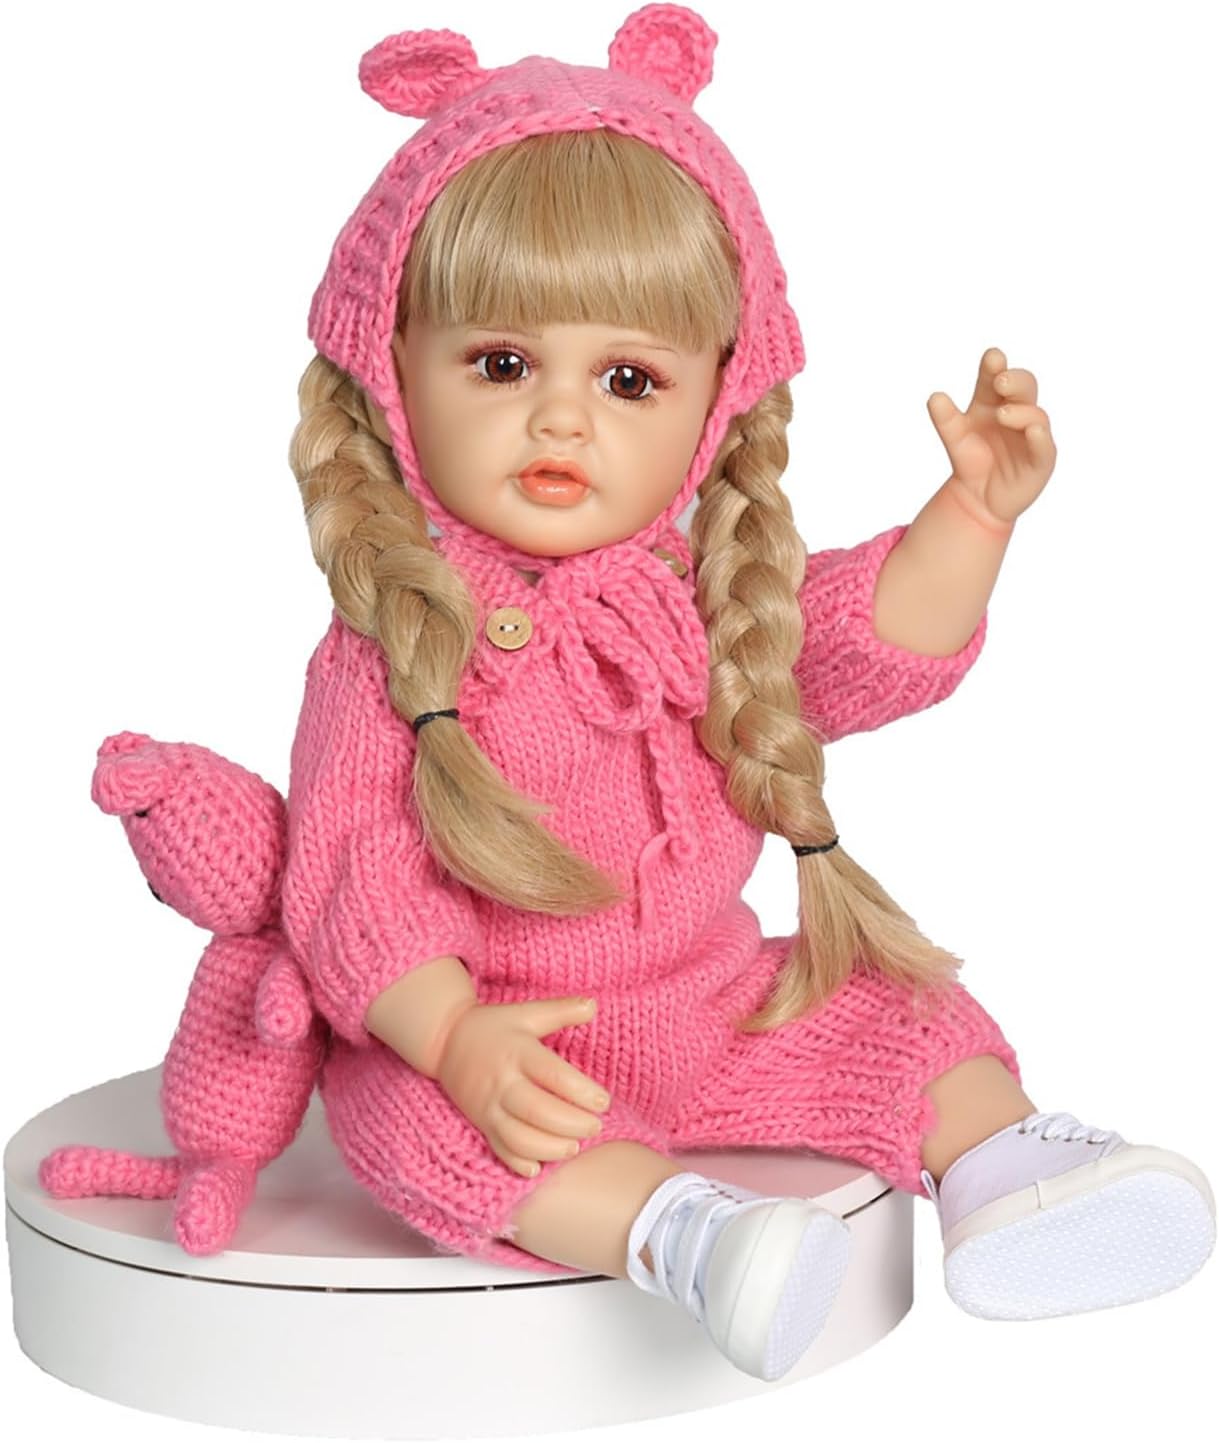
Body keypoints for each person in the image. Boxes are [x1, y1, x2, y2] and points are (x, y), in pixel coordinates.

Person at [280, 4, 1215, 1382]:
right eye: (501, 363)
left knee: (894, 1007)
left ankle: (1005, 1172)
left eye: (627, 379)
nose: (560, 417)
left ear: (716, 403)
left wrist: (973, 516)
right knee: (409, 1121)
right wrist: (451, 1034)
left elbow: (862, 640)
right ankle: (686, 1235)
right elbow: (351, 874)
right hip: (507, 1042)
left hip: (710, 1009)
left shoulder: (702, 601)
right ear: (392, 367)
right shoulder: (392, 645)